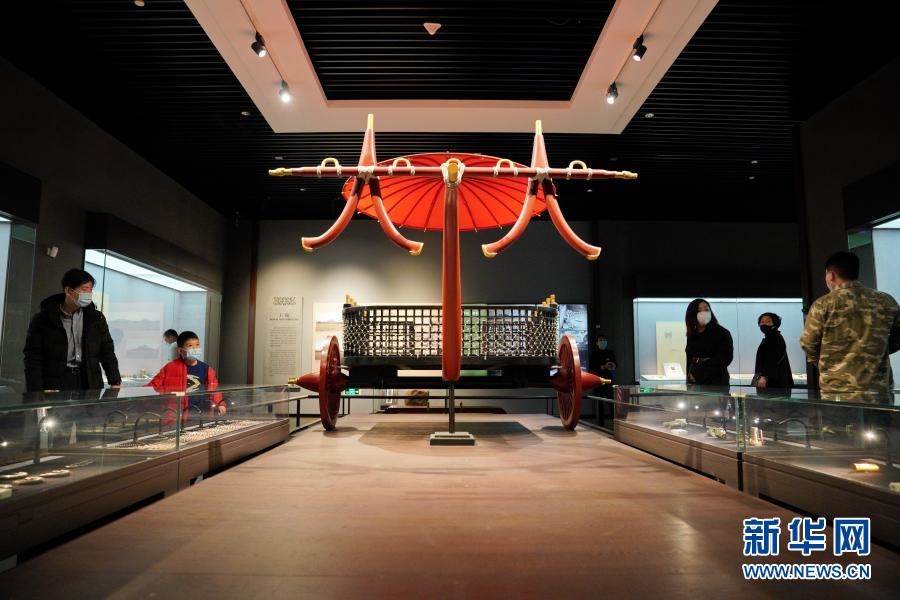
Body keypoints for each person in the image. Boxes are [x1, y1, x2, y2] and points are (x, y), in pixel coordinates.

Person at [800, 251, 900, 399]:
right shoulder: (886, 300)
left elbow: (808, 343)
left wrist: (827, 363)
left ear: (831, 275)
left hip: (837, 391)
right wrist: (876, 350)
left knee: (837, 416)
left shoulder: (823, 304)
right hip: (878, 390)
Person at [23, 268, 121, 392]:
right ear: (69, 290)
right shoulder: (43, 319)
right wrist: (35, 391)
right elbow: (33, 358)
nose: (89, 294)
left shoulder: (96, 319)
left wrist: (115, 381)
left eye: (90, 290)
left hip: (89, 381)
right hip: (56, 383)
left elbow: (107, 352)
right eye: (84, 289)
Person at [149, 330, 225, 418]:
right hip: (176, 416)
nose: (195, 348)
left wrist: (220, 404)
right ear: (180, 350)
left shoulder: (206, 368)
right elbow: (152, 386)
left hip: (201, 414)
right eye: (190, 346)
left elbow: (214, 389)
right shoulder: (170, 367)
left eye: (197, 345)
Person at [684, 298, 733, 386]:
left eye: (706, 309)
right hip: (694, 381)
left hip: (716, 381)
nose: (704, 313)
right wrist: (689, 376)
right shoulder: (692, 335)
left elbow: (726, 358)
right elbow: (690, 358)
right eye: (699, 310)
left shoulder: (721, 332)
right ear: (692, 314)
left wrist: (700, 370)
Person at [753, 312, 793, 390]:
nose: (764, 324)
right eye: (762, 322)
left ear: (775, 324)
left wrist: (765, 377)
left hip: (773, 380)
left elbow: (773, 359)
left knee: (771, 397)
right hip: (770, 379)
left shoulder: (775, 337)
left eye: (768, 322)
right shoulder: (770, 337)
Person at [589, 333, 617, 398]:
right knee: (599, 399)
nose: (602, 342)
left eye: (604, 340)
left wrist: (613, 365)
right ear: (597, 343)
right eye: (600, 340)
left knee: (610, 398)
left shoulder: (610, 352)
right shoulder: (594, 354)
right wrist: (603, 367)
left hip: (608, 379)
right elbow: (591, 366)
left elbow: (616, 364)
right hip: (597, 379)